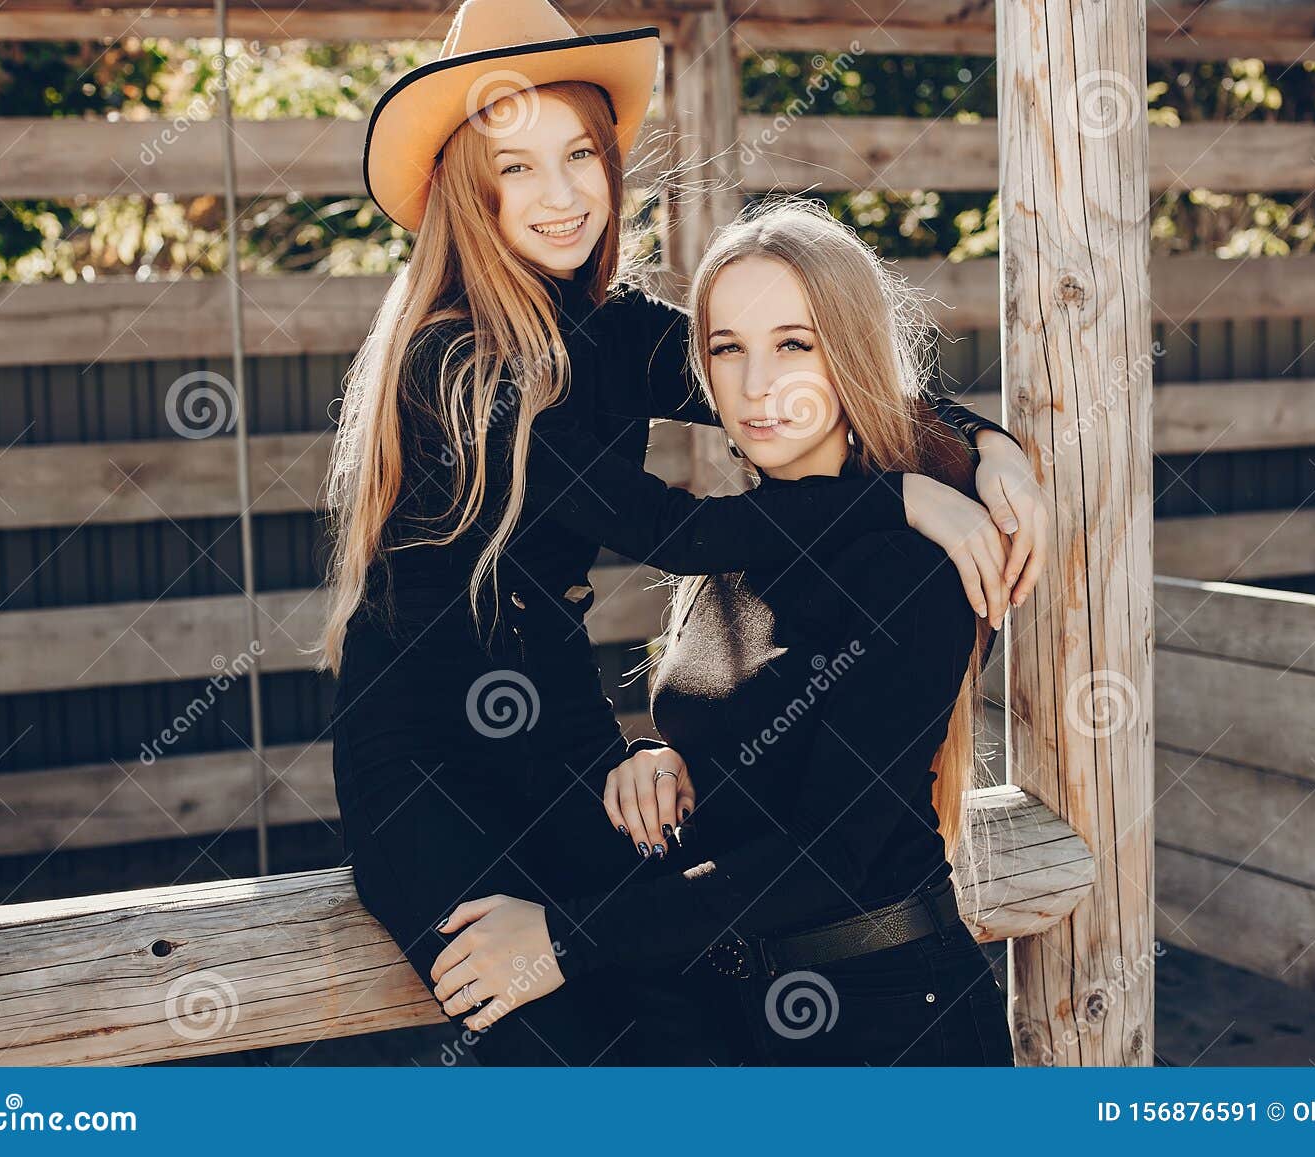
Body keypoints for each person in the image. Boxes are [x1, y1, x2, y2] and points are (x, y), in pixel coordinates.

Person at [325, 0, 1046, 1064]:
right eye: (515, 167)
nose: (561, 192)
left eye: (578, 152)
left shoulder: (615, 332)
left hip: (559, 720)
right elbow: (673, 529)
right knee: (551, 1036)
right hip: (428, 743)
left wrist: (986, 444)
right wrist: (893, 495)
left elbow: (818, 366)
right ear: (462, 192)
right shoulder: (456, 359)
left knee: (672, 1015)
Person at [433, 200, 1016, 1066]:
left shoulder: (914, 564)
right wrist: (666, 760)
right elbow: (755, 751)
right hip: (743, 1017)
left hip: (893, 1021)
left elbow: (826, 854)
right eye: (725, 349)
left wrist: (563, 940)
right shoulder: (740, 539)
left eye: (794, 343)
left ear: (849, 351)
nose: (755, 386)